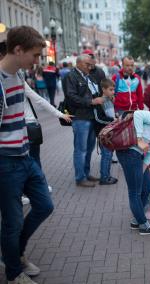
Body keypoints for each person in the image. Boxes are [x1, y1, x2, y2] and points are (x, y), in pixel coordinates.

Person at [0, 25, 54, 284]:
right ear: (18, 50)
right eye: (34, 55)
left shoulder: (19, 76)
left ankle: (13, 254)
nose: (37, 61)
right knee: (12, 223)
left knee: (45, 205)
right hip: (6, 162)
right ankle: (13, 273)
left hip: (25, 156)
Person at [64, 54, 105, 187]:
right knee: (80, 149)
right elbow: (71, 97)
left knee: (89, 148)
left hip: (91, 116)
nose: (90, 66)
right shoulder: (71, 76)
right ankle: (80, 178)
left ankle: (86, 173)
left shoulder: (88, 76)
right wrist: (91, 101)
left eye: (91, 64)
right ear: (79, 63)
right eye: (88, 64)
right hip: (80, 117)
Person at [93, 79, 118, 185]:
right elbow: (98, 118)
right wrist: (112, 120)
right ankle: (104, 177)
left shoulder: (109, 100)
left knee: (108, 154)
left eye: (114, 89)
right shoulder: (99, 101)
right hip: (102, 132)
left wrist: (115, 117)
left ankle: (107, 175)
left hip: (109, 131)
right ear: (103, 89)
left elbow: (111, 114)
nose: (113, 92)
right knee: (106, 155)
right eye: (110, 90)